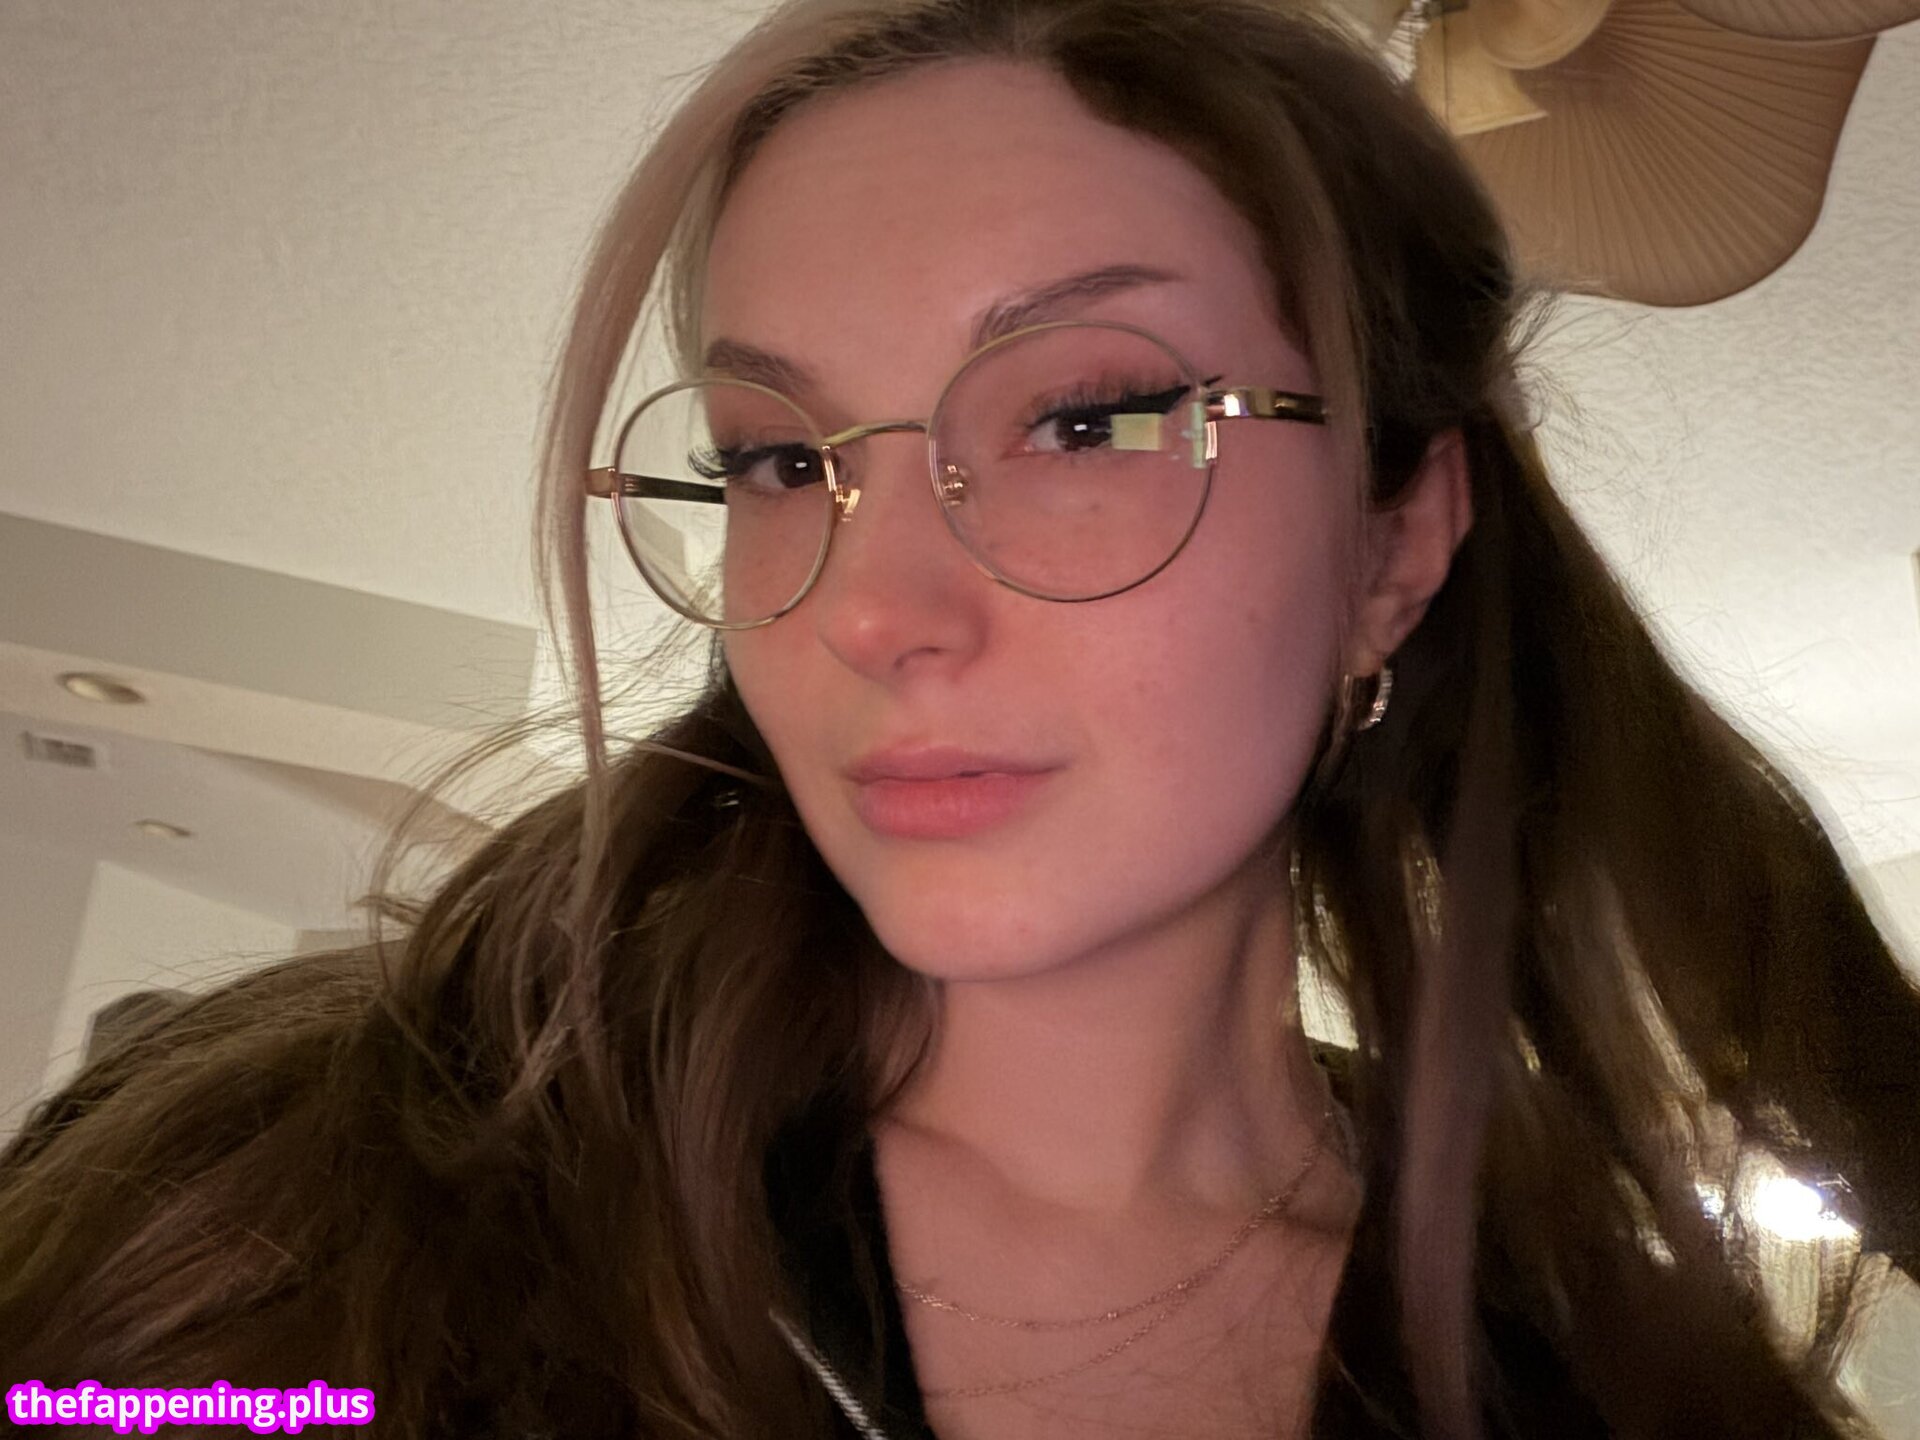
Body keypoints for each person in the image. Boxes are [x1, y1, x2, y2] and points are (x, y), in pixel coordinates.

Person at [3, 1, 1916, 1436]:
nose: (869, 609)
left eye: (1084, 419)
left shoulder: (1605, 1372)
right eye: (776, 458)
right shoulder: (279, 1221)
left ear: (1394, 546)